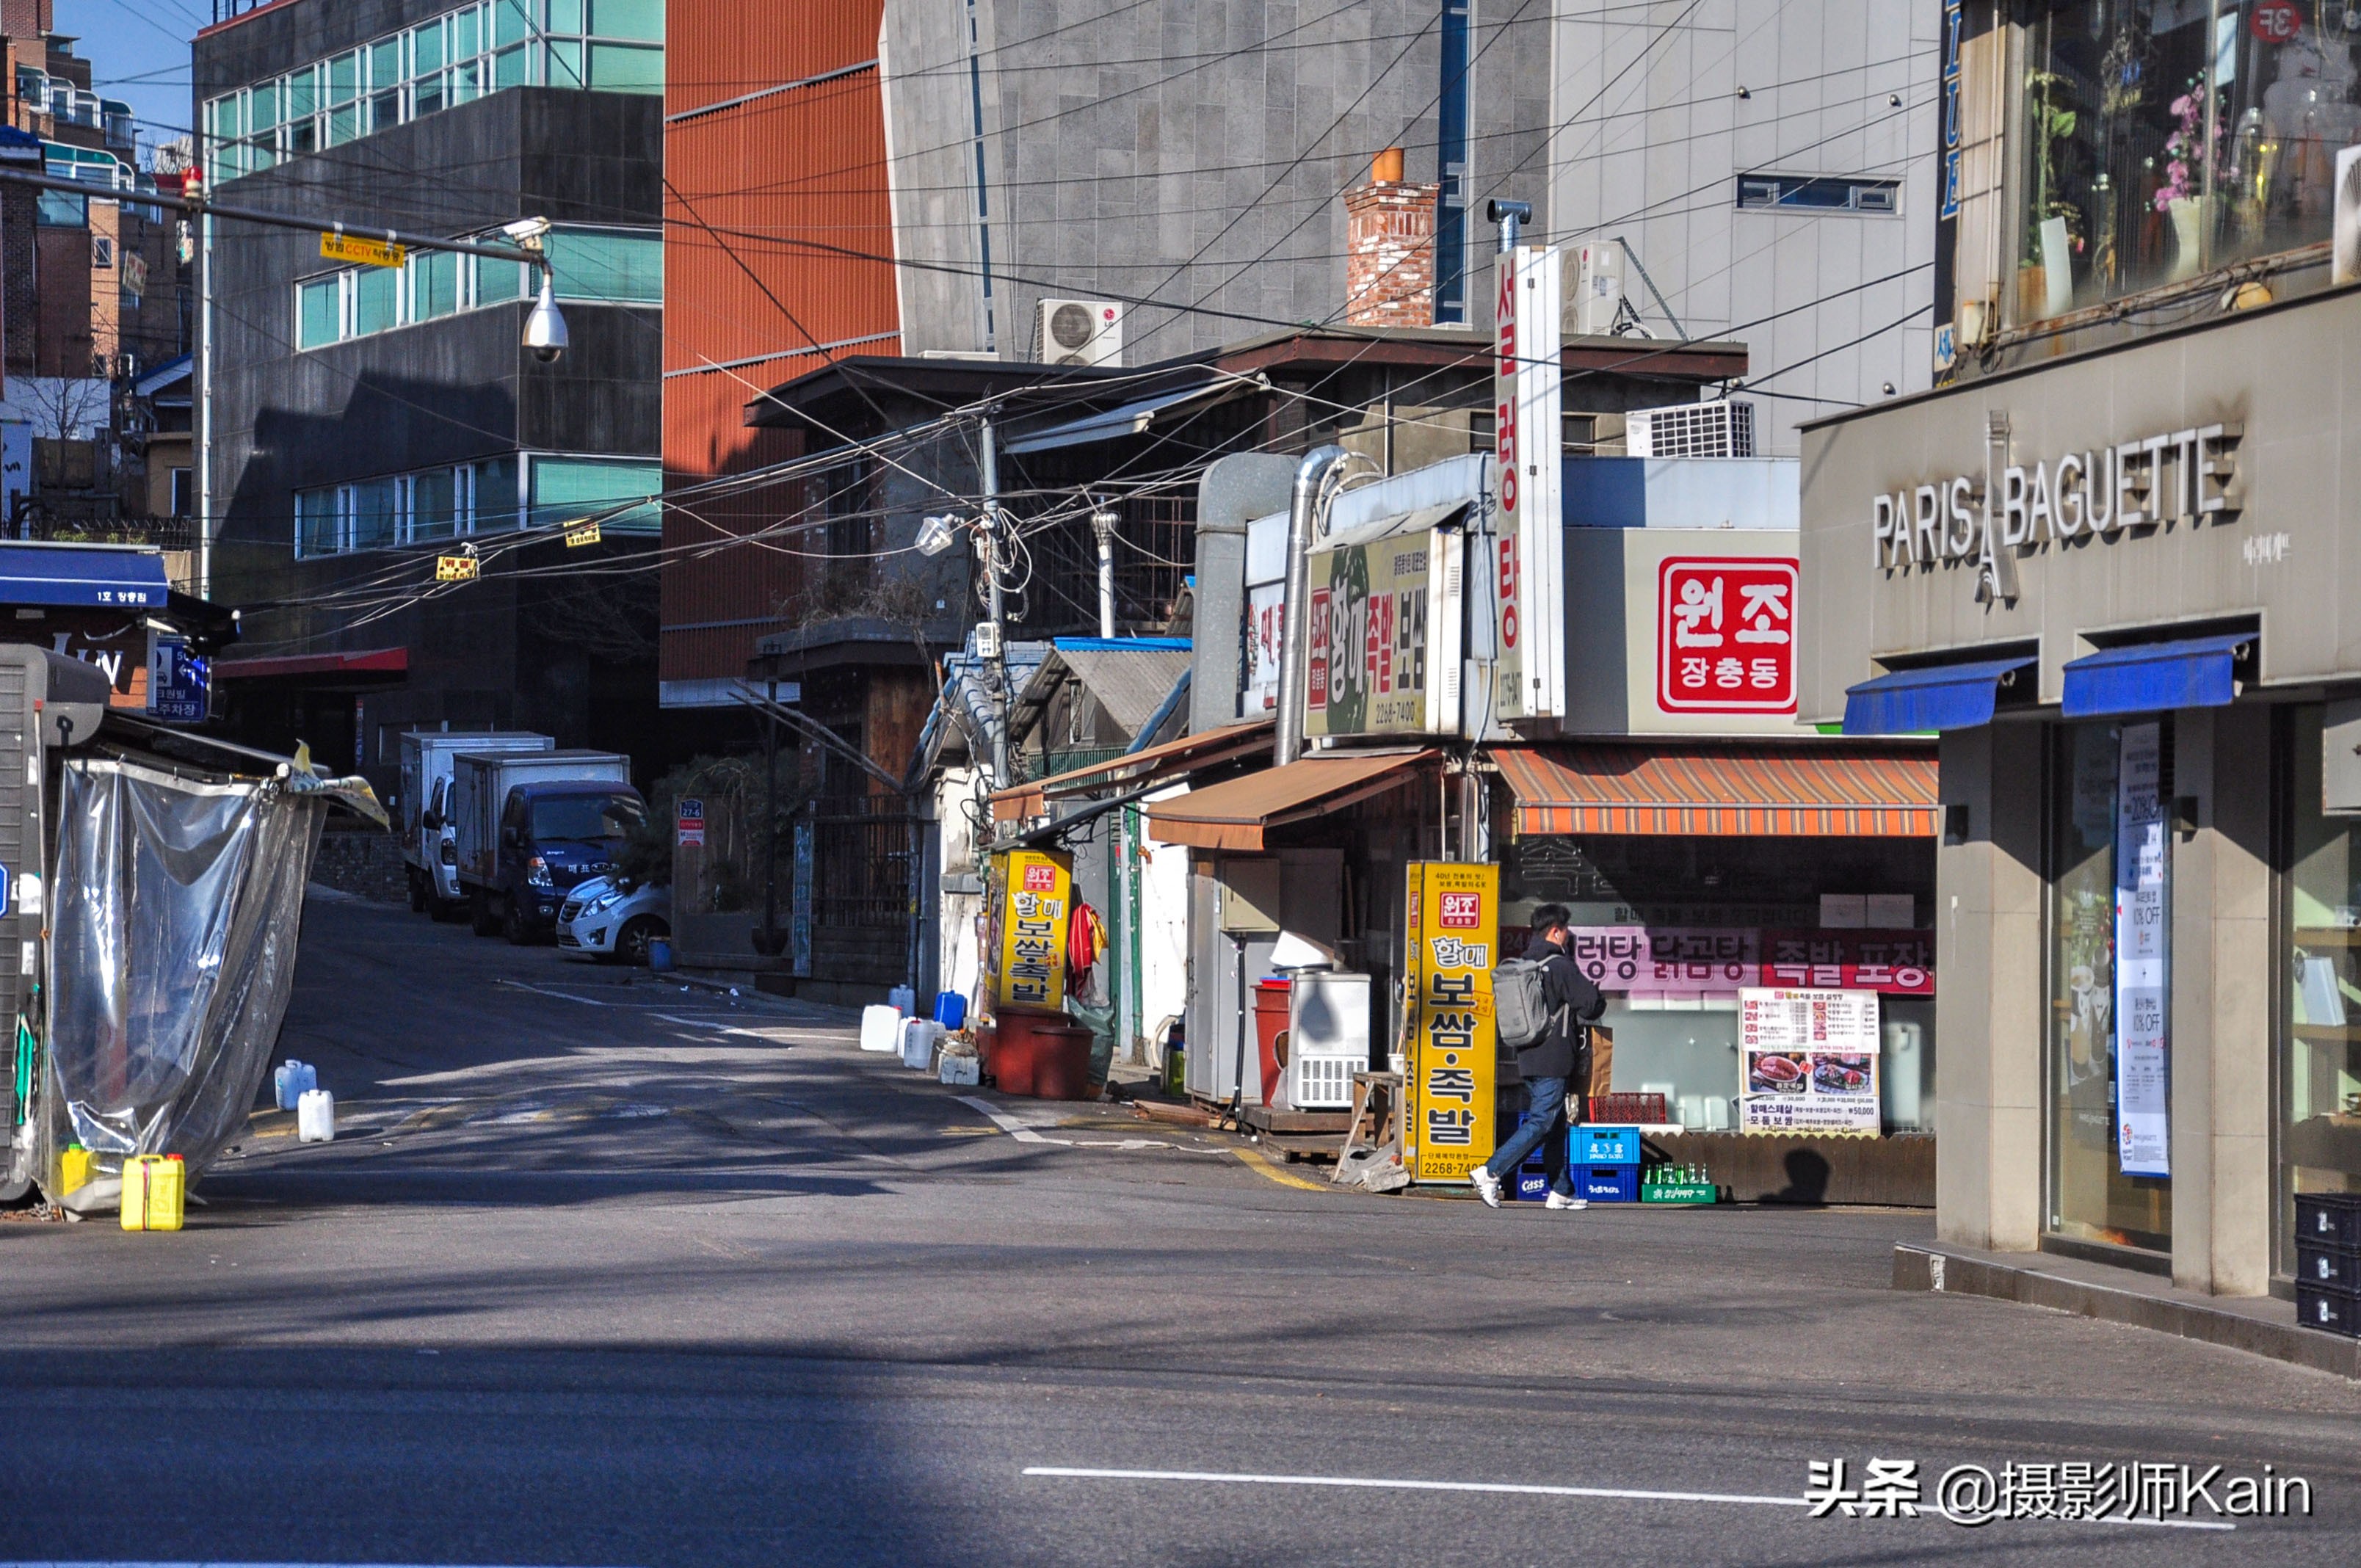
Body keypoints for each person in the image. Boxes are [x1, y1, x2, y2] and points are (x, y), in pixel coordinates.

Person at [1470, 904, 1605, 1211]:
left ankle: (1561, 1191)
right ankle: (1490, 1172)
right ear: (1556, 931)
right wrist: (1598, 999)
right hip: (1554, 1058)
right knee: (1542, 1121)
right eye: (1566, 930)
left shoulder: (1524, 963)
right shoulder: (1560, 965)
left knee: (1555, 1123)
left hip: (1527, 1055)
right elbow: (1589, 1005)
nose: (1568, 936)